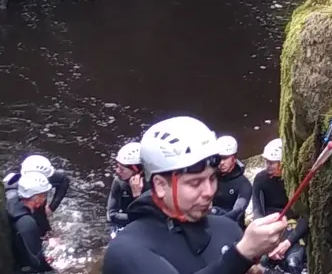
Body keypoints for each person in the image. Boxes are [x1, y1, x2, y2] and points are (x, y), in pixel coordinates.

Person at [103, 116, 290, 274]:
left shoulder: (228, 229)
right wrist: (241, 255)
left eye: (212, 178)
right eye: (195, 183)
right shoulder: (126, 251)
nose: (209, 192)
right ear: (160, 185)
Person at [7, 171, 56, 273]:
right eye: (44, 195)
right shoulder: (27, 223)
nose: (45, 198)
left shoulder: (12, 200)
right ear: (37, 198)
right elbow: (37, 261)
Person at [2, 154, 70, 213]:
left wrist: (51, 207)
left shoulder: (41, 180)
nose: (44, 181)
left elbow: (64, 180)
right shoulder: (12, 190)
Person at [106, 142, 145, 238]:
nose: (117, 171)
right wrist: (133, 218)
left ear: (137, 170)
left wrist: (137, 195)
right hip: (124, 224)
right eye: (117, 166)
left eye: (122, 169)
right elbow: (111, 215)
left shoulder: (152, 185)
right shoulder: (119, 182)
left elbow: (151, 218)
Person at [208, 136, 250, 223]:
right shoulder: (211, 177)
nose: (221, 163)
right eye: (219, 158)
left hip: (233, 226)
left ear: (234, 159)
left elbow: (237, 211)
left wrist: (218, 219)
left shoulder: (243, 184)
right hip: (211, 221)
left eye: (225, 158)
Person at [247, 140, 287, 222]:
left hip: (289, 217)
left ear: (282, 162)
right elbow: (257, 208)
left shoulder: (292, 179)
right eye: (266, 161)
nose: (267, 166)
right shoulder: (260, 179)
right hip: (269, 217)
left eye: (271, 163)